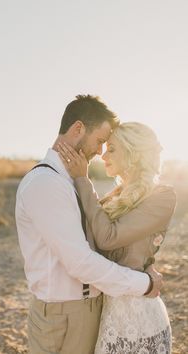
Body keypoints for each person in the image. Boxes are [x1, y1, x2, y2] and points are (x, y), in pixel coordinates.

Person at [15, 95, 162, 354]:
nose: (100, 151)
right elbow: (80, 262)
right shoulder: (45, 183)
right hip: (65, 314)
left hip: (91, 308)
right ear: (78, 129)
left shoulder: (72, 179)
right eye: (100, 141)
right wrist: (144, 284)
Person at [57, 121, 176, 353]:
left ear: (133, 153)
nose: (103, 156)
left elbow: (108, 238)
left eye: (112, 149)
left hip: (140, 315)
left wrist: (83, 180)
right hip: (109, 311)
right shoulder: (115, 195)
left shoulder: (162, 196)